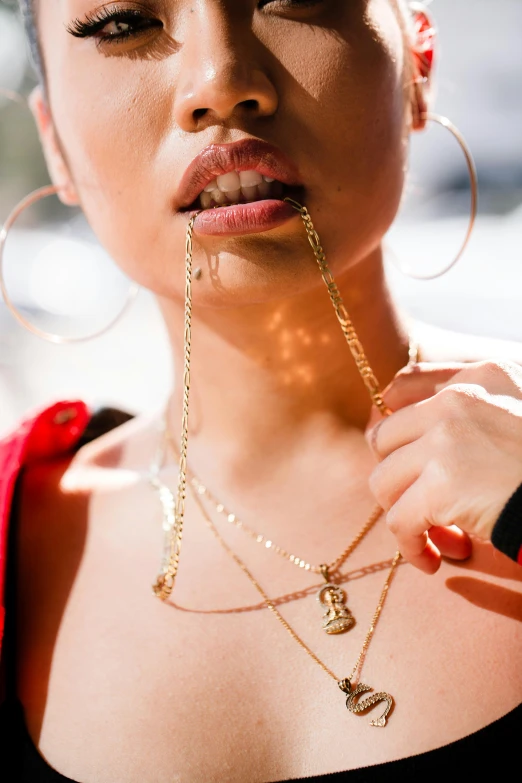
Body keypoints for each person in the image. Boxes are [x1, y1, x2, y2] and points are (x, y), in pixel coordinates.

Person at [1, 1, 521, 781]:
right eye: (122, 22)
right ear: (54, 144)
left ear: (418, 63)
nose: (221, 82)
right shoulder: (20, 546)